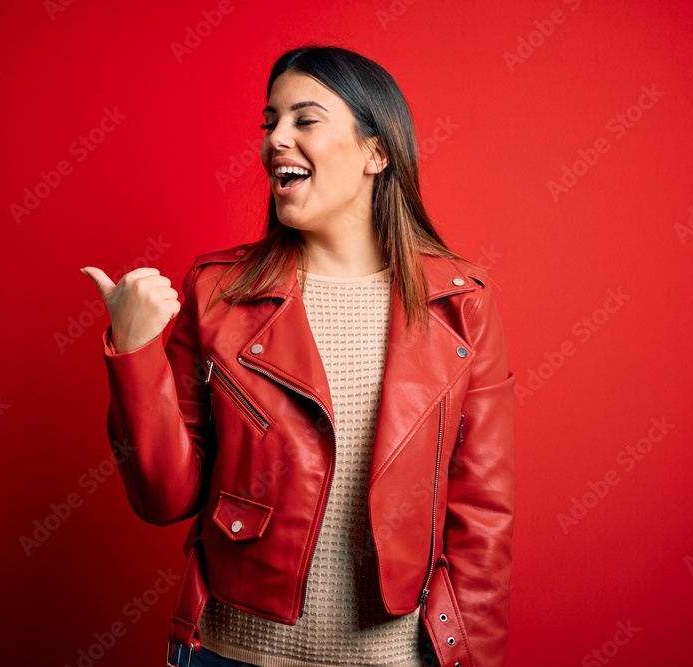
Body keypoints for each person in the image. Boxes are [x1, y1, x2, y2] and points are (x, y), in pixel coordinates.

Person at [82, 44, 515, 667]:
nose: (276, 139)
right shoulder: (217, 292)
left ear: (376, 152)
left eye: (304, 120)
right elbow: (164, 498)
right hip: (233, 655)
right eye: (270, 122)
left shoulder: (460, 303)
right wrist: (134, 350)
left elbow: (485, 520)